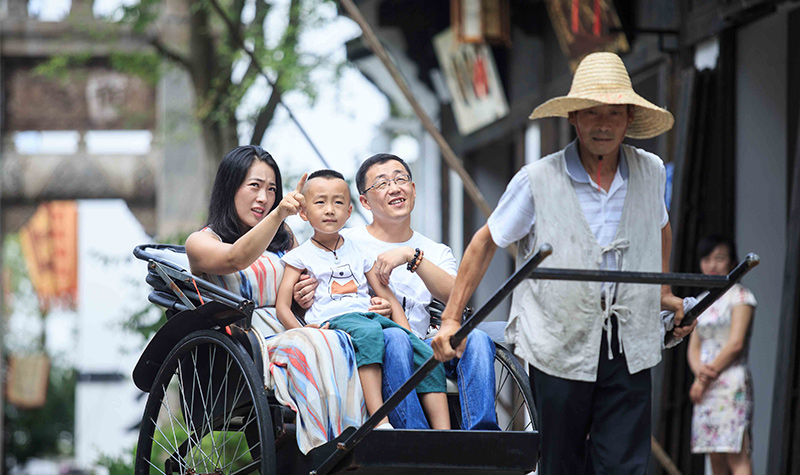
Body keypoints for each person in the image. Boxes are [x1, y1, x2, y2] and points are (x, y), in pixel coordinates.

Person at [431, 52, 696, 474]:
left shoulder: (650, 171)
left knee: (624, 464)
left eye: (614, 113)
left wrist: (661, 293)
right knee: (562, 462)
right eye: (593, 113)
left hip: (628, 340)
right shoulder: (538, 178)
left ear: (629, 118)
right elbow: (486, 242)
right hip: (557, 339)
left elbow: (659, 227)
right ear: (574, 117)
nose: (603, 123)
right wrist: (449, 320)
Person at [293, 153, 500, 431]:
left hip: (424, 345)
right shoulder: (345, 242)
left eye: (401, 179)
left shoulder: (436, 251)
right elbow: (312, 274)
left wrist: (411, 256)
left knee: (476, 338)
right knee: (396, 341)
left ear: (413, 190)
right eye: (382, 183)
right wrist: (301, 294)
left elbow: (457, 295)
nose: (394, 188)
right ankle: (418, 439)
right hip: (372, 348)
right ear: (364, 201)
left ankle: (483, 439)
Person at [184, 145, 364, 454]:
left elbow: (310, 284)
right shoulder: (201, 242)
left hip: (297, 326)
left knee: (349, 338)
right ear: (230, 187)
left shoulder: (286, 240)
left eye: (271, 189)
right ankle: (325, 448)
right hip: (248, 346)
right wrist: (280, 213)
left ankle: (361, 437)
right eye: (254, 186)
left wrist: (304, 293)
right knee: (310, 345)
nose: (263, 198)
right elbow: (235, 259)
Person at [275, 169, 450, 430]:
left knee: (426, 354)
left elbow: (386, 295)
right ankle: (379, 418)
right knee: (369, 333)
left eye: (338, 202)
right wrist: (303, 332)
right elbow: (282, 306)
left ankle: (444, 434)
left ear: (349, 212)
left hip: (367, 318)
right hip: (335, 321)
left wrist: (408, 335)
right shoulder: (299, 256)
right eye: (320, 202)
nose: (330, 210)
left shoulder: (360, 251)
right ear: (304, 213)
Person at [689, 235, 755, 474]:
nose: (712, 265)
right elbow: (693, 347)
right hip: (705, 387)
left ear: (732, 261)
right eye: (707, 259)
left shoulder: (741, 296)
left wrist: (703, 379)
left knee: (736, 456)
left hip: (729, 383)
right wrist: (699, 375)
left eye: (719, 258)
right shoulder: (700, 301)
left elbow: (736, 343)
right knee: (714, 456)